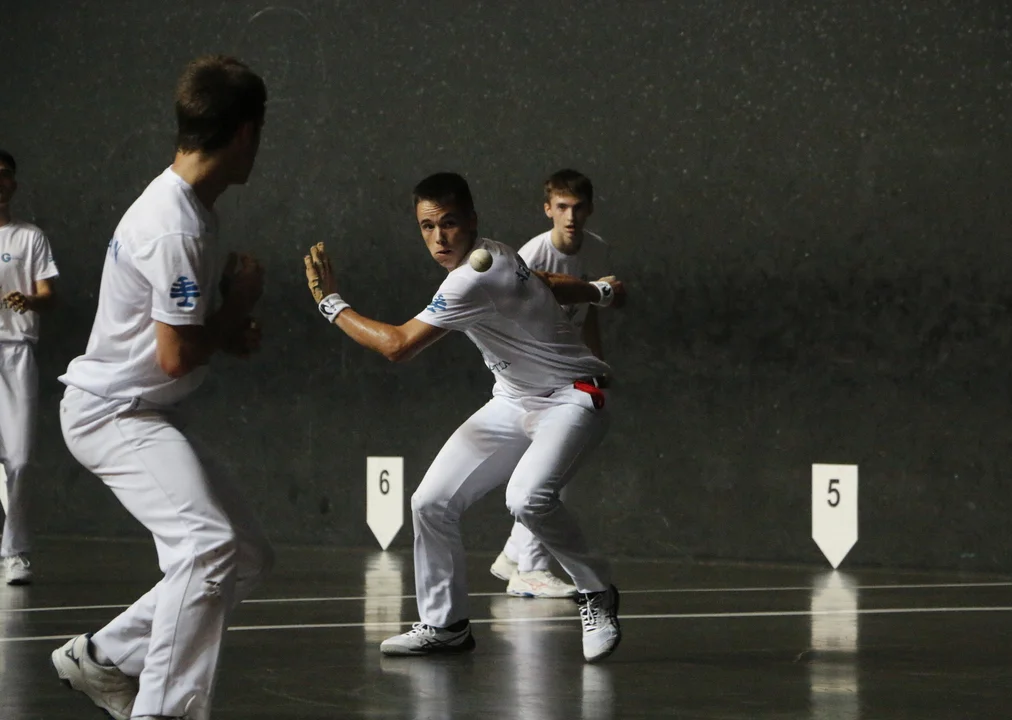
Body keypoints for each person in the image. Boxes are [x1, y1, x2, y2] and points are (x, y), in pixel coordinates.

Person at [303, 172, 625, 662]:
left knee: (527, 498)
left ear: (472, 220)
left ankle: (597, 591)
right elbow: (543, 281)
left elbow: (398, 346)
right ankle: (445, 625)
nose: (439, 238)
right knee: (430, 502)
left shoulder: (471, 279)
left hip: (573, 396)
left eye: (449, 223)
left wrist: (331, 304)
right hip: (513, 399)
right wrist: (598, 292)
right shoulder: (498, 253)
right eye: (427, 227)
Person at [50, 55, 273, 720]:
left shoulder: (189, 209)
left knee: (245, 555)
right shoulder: (177, 225)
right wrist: (238, 306)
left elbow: (174, 336)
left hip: (139, 410)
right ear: (245, 133)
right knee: (208, 548)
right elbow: (175, 358)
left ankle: (105, 658)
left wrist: (225, 327)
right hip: (111, 414)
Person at [490, 168, 612, 599]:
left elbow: (589, 310)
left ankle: (513, 555)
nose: (570, 216)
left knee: (549, 473)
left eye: (577, 207)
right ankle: (530, 569)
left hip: (566, 373)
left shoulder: (595, 250)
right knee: (545, 481)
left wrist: (595, 363)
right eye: (562, 207)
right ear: (548, 210)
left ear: (589, 209)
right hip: (531, 378)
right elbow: (510, 319)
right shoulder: (532, 255)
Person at [0, 149, 59, 586]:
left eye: (5, 174)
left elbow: (48, 295)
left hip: (16, 353)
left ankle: (16, 553)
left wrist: (31, 301)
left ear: (14, 184)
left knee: (19, 459)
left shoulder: (30, 238)